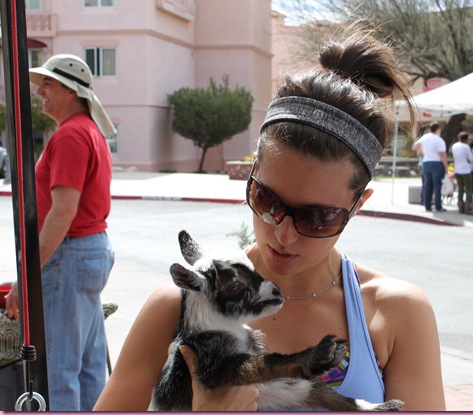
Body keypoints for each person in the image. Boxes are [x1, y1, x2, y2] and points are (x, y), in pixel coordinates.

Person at [93, 29, 446, 411]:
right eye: (267, 200)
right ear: (252, 173)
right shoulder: (175, 308)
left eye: (317, 217)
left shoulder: (394, 312)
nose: (283, 234)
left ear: (358, 205)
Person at [4, 54, 116, 411]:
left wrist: (27, 276)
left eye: (47, 85)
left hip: (71, 255)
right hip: (88, 251)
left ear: (71, 91)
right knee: (88, 365)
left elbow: (62, 212)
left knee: (59, 368)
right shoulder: (87, 130)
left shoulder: (70, 135)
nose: (40, 92)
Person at [416, 122, 448, 212]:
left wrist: (423, 153)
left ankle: (427, 205)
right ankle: (438, 206)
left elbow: (417, 144)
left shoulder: (425, 137)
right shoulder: (439, 140)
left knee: (427, 185)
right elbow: (442, 154)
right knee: (437, 185)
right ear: (438, 129)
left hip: (426, 162)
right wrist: (446, 166)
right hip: (436, 163)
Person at [451, 132, 473, 215]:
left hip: (457, 169)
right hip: (465, 170)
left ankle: (460, 205)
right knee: (469, 188)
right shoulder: (466, 147)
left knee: (460, 189)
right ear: (466, 139)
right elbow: (471, 158)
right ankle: (468, 206)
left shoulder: (454, 146)